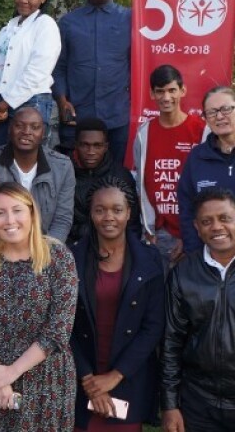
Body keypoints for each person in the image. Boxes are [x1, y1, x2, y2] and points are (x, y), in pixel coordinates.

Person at [0, 182, 78, 431]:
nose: (9, 220)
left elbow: (58, 330)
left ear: (31, 213)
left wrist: (12, 372)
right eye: (0, 213)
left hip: (45, 384)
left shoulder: (58, 257)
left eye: (17, 210)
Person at [69, 177, 164, 431]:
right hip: (83, 378)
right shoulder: (72, 258)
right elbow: (63, 325)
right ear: (90, 214)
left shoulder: (149, 260)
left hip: (128, 378)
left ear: (129, 213)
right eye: (100, 210)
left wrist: (114, 376)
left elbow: (153, 327)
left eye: (117, 209)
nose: (108, 216)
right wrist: (89, 380)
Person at [162, 187, 235, 432]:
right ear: (196, 227)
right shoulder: (182, 274)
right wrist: (170, 405)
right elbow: (171, 342)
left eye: (225, 218)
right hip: (198, 401)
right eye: (207, 221)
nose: (216, 227)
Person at [53, 0, 132, 163]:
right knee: (72, 175)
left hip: (117, 114)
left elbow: (139, 63)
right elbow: (59, 67)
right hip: (76, 114)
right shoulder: (68, 22)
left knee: (116, 175)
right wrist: (62, 102)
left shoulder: (130, 19)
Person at [133, 65, 206, 271]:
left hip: (193, 232)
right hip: (157, 234)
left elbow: (206, 188)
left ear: (182, 91)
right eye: (160, 91)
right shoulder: (144, 133)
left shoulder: (201, 131)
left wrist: (190, 235)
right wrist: (148, 229)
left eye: (172, 90)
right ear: (152, 94)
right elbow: (141, 184)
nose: (166, 97)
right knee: (157, 299)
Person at [0, 0, 61, 149]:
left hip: (30, 103)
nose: (23, 0)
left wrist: (5, 104)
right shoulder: (10, 27)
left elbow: (37, 71)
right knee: (1, 161)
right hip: (1, 104)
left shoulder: (45, 25)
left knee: (28, 163)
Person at [0, 107, 75, 242]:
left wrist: (44, 253)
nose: (26, 132)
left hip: (46, 248)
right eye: (19, 126)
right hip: (2, 245)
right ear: (10, 129)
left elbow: (62, 220)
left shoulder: (62, 166)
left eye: (35, 127)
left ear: (43, 133)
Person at [177, 86, 235, 256]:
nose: (219, 116)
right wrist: (195, 255)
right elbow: (187, 210)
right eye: (211, 112)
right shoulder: (197, 158)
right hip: (210, 258)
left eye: (226, 109)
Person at [68, 118, 140, 245]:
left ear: (106, 147)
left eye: (97, 146)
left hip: (113, 247)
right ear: (76, 145)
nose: (91, 152)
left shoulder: (121, 176)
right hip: (72, 247)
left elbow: (132, 225)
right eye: (85, 145)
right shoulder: (64, 173)